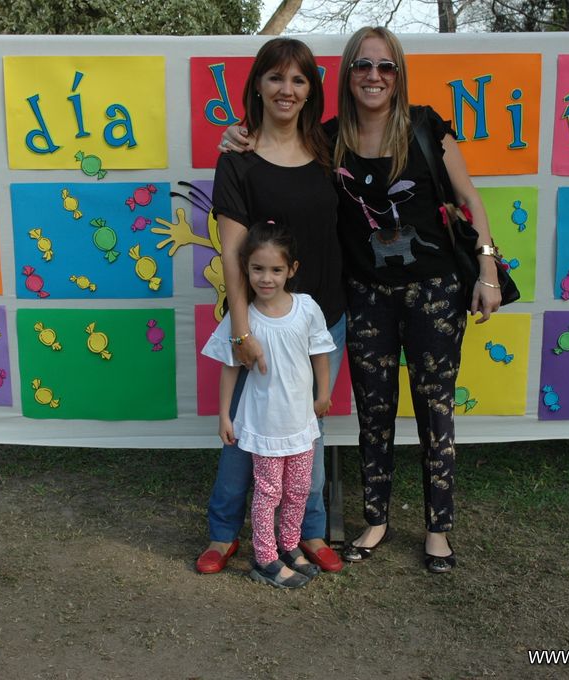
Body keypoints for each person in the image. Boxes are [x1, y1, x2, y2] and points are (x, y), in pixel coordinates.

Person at [221, 27, 502, 573]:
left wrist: (486, 268)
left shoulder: (426, 128)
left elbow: (469, 199)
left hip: (434, 293)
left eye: (386, 66)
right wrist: (237, 135)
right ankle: (375, 521)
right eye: (363, 66)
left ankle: (438, 530)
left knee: (435, 412)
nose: (375, 76)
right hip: (366, 296)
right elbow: (277, 146)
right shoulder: (328, 142)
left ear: (399, 74)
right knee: (374, 414)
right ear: (347, 74)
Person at [194, 37, 348, 577]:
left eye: (299, 79)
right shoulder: (236, 158)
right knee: (244, 433)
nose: (287, 89)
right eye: (276, 77)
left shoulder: (330, 149)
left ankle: (309, 531)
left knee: (307, 430)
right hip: (257, 325)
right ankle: (223, 533)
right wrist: (242, 331)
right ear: (257, 85)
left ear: (311, 91)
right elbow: (233, 253)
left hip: (322, 319)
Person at [202, 222, 336, 588]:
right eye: (257, 269)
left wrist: (323, 394)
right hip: (264, 426)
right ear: (245, 268)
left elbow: (320, 352)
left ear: (292, 269)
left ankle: (289, 546)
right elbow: (230, 367)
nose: (266, 278)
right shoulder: (242, 319)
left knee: (298, 490)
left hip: (300, 424)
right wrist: (224, 415)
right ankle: (265, 558)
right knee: (268, 492)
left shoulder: (306, 308)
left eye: (276, 269)